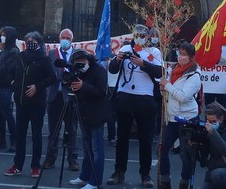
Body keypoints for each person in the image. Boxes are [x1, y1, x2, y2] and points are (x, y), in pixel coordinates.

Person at [107, 24, 164, 187]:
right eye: (137, 34)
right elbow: (112, 70)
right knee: (122, 138)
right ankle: (119, 171)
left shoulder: (153, 52)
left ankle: (145, 174)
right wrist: (117, 60)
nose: (140, 37)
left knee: (145, 139)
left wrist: (143, 64)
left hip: (144, 99)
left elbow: (160, 72)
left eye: (143, 35)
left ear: (147, 37)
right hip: (125, 97)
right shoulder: (125, 48)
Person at [0, 31, 56, 177]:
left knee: (36, 135)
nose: (30, 43)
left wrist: (37, 86)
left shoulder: (43, 59)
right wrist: (13, 83)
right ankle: (17, 165)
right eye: (28, 40)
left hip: (37, 103)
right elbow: (9, 72)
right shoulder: (20, 57)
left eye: (33, 41)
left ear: (39, 43)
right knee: (20, 135)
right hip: (21, 102)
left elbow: (52, 77)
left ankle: (35, 166)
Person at [159, 42, 202, 189]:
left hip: (187, 119)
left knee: (186, 155)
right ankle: (165, 181)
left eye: (184, 54)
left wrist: (167, 86)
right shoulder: (172, 70)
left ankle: (184, 183)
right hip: (171, 117)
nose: (181, 57)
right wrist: (163, 88)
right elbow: (168, 90)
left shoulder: (195, 75)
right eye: (179, 53)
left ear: (191, 57)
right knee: (162, 149)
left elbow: (183, 97)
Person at [68, 49, 110, 189]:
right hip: (83, 113)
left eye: (82, 61)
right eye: (77, 62)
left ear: (88, 60)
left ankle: (95, 181)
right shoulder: (78, 71)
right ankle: (84, 176)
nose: (80, 64)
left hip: (96, 113)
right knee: (87, 148)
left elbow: (102, 91)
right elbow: (71, 86)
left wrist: (83, 86)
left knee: (97, 149)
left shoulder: (99, 70)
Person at [47, 28, 81, 171]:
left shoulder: (77, 54)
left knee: (71, 130)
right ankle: (50, 159)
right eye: (63, 37)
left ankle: (72, 159)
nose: (65, 39)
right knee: (53, 131)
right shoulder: (53, 53)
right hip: (55, 96)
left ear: (72, 40)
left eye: (68, 37)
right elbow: (48, 71)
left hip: (71, 97)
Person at [0, 25, 19, 151]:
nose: (1, 37)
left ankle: (14, 140)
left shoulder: (13, 51)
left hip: (5, 86)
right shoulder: (6, 49)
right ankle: (1, 139)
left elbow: (6, 67)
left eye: (4, 35)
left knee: (7, 113)